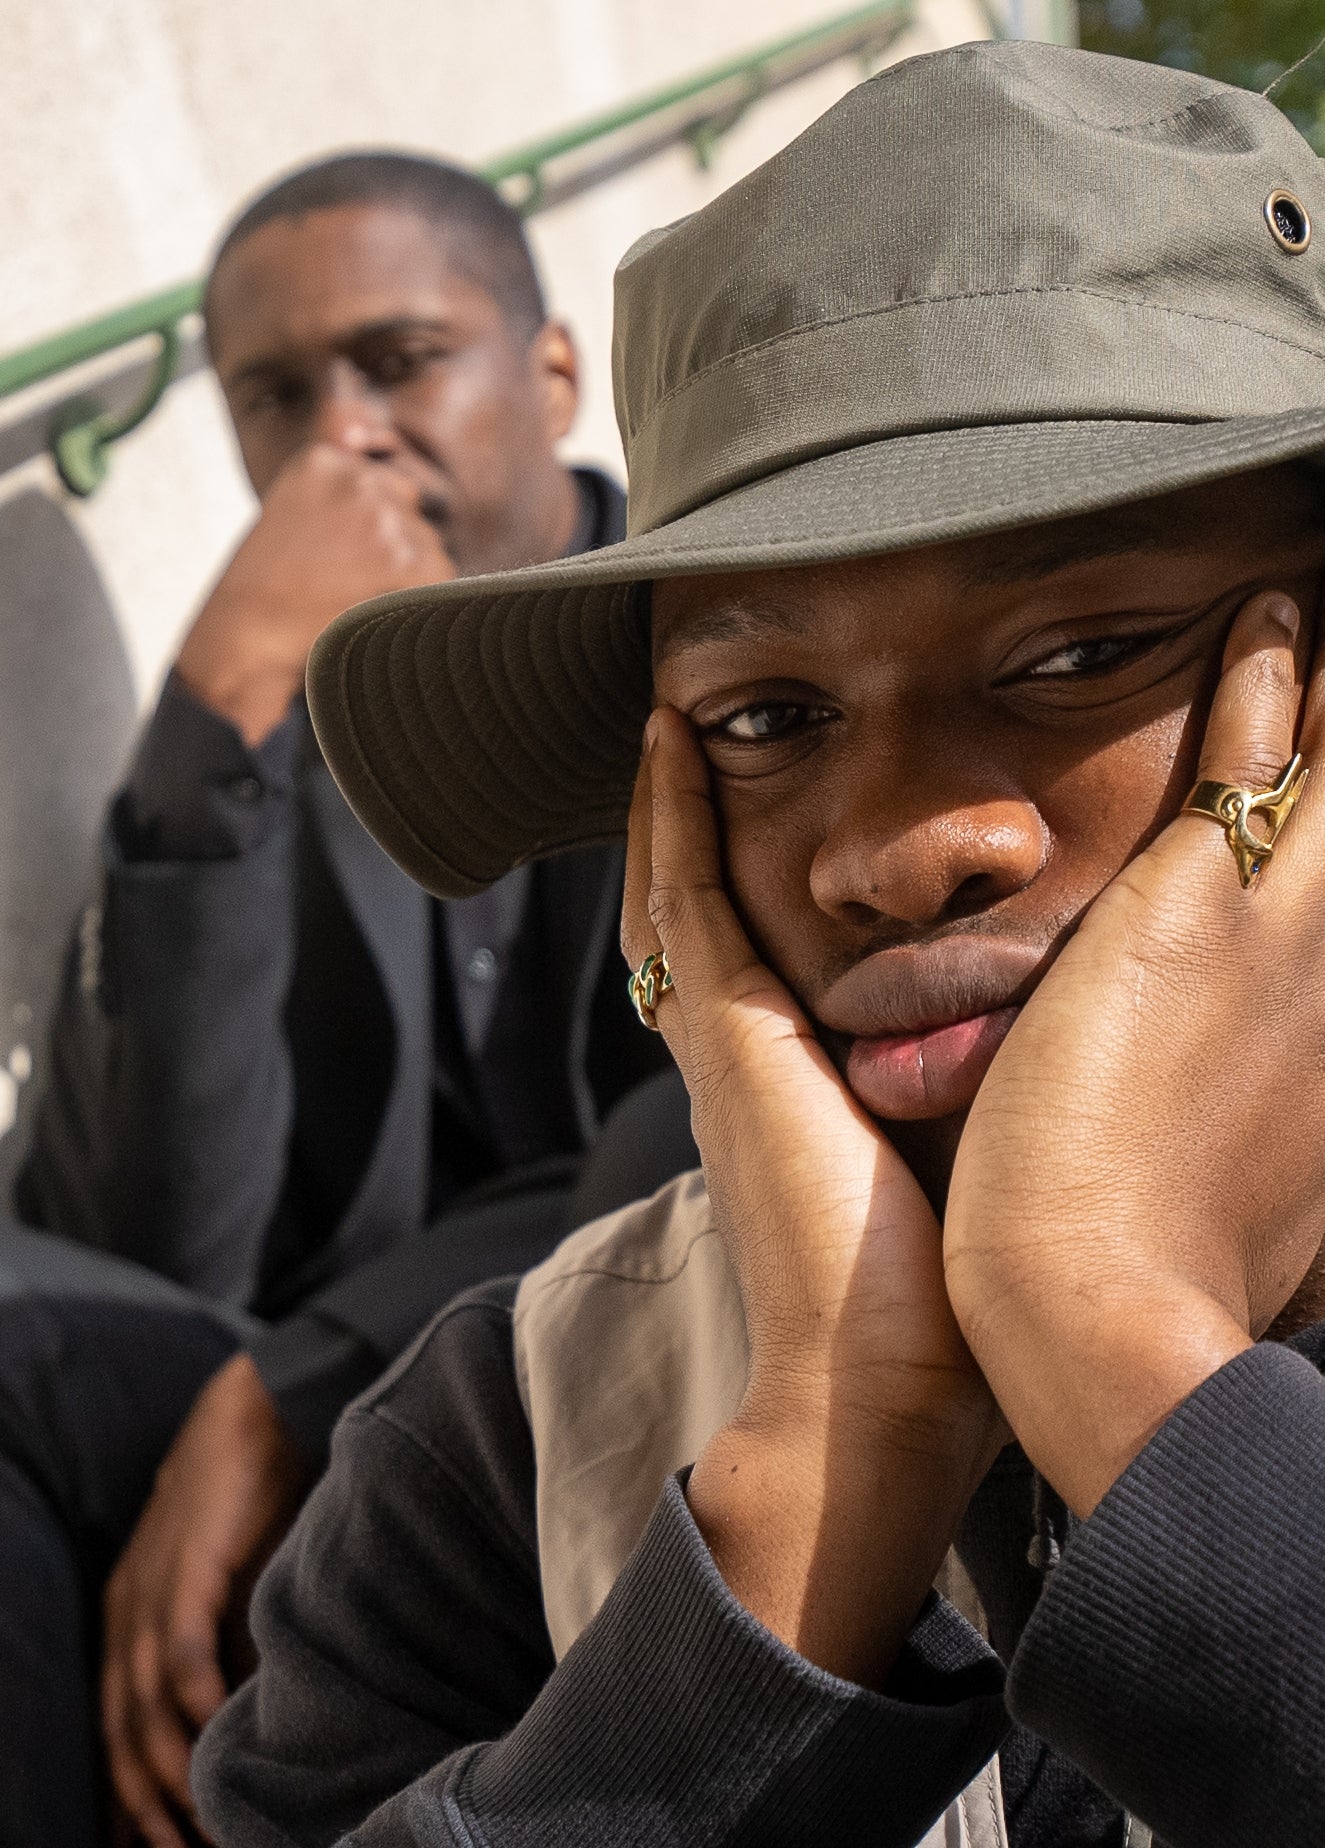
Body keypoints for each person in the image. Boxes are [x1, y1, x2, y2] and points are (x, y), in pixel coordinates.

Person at [198, 43, 1325, 1847]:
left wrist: (1119, 1357)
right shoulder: (515, 1434)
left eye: (1077, 657)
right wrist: (814, 1498)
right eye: (767, 719)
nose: (902, 853)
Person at [1, 152, 694, 1848]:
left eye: (398, 363)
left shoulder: (719, 641)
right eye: (274, 398)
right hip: (291, 1402)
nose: (342, 441)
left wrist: (301, 1384)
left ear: (550, 376)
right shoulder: (279, 711)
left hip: (635, 1356)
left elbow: (689, 1135)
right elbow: (153, 1242)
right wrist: (213, 725)